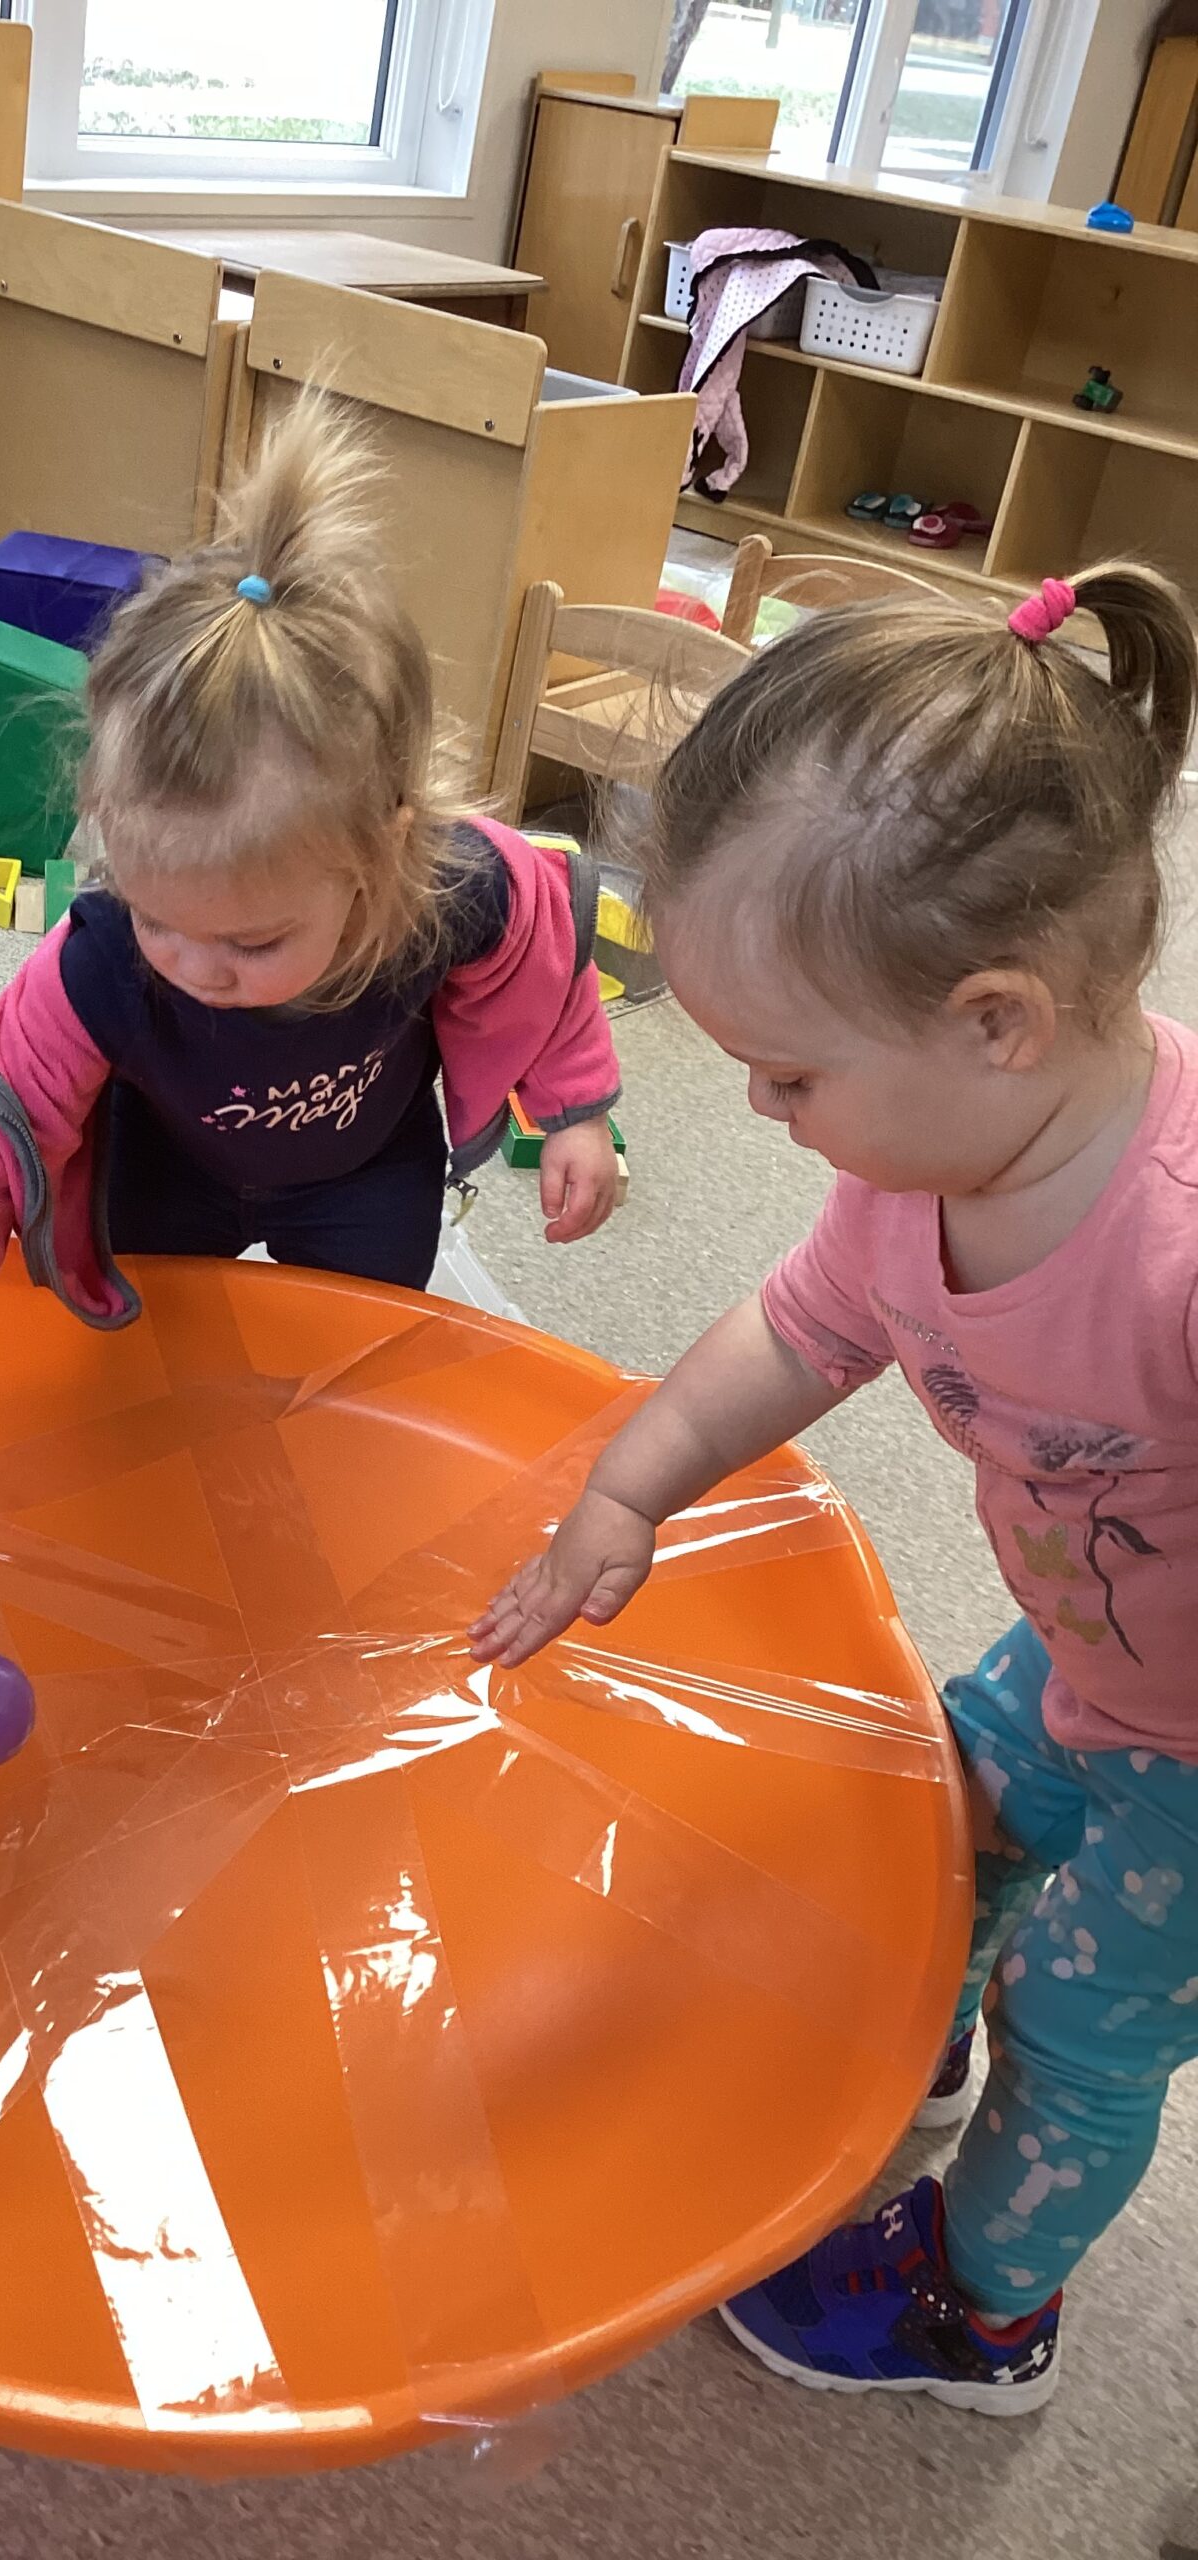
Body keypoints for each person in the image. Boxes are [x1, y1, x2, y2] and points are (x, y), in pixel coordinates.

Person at [472, 562, 1198, 2414]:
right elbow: (801, 1330)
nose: (759, 1118)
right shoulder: (917, 1160)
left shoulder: (1175, 1255)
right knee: (936, 1815)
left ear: (997, 1021)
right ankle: (903, 2042)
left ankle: (985, 2312)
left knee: (1087, 2029)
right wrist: (632, 1485)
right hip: (1092, 1648)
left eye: (786, 1074)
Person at [0, 400, 623, 1454]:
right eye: (161, 919)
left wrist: (573, 1112)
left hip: (363, 1169)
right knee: (143, 1374)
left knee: (352, 1370)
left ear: (381, 851)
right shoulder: (100, 961)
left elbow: (540, 967)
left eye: (252, 943)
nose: (200, 969)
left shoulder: (456, 891)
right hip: (169, 1166)